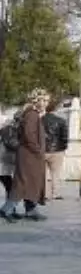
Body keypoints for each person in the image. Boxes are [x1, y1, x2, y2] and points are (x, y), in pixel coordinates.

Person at [3, 89, 50, 222]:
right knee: (24, 183)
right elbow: (29, 135)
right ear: (37, 100)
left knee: (31, 183)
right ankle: (6, 209)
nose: (46, 103)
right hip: (30, 155)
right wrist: (37, 149)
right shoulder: (32, 114)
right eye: (44, 100)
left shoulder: (31, 113)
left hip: (29, 154)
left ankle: (31, 210)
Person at [41, 102, 68, 203]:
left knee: (43, 174)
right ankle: (55, 194)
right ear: (55, 110)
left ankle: (44, 194)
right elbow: (64, 136)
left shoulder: (40, 120)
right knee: (55, 174)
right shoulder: (61, 121)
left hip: (42, 150)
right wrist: (64, 147)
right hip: (57, 150)